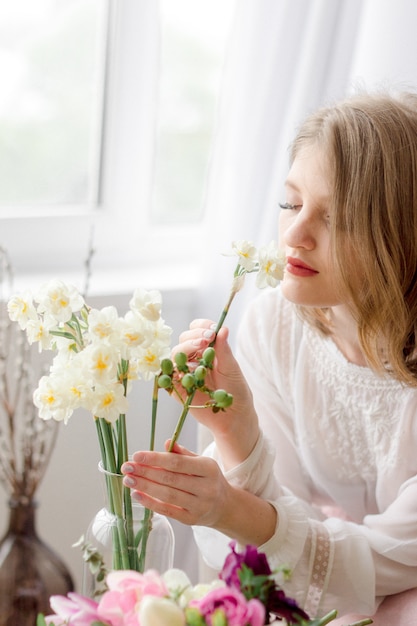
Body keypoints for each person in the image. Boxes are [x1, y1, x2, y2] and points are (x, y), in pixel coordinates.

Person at [121, 90, 417, 623]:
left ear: (405, 233)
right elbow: (268, 552)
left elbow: (392, 563)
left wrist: (231, 509)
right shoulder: (272, 325)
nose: (295, 235)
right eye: (291, 203)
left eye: (339, 218)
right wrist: (237, 434)